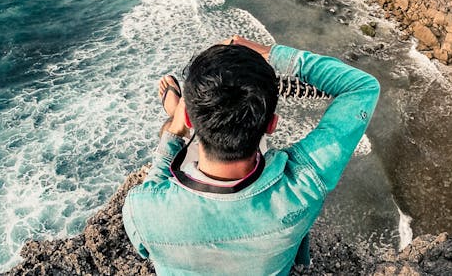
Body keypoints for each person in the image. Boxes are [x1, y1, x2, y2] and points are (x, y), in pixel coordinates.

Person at [122, 34, 380, 275]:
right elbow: (361, 87)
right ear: (272, 124)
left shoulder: (143, 209)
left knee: (195, 151)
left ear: (189, 118)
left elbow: (151, 203)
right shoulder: (304, 185)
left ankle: (176, 112)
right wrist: (270, 53)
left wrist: (173, 134)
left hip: (190, 133)